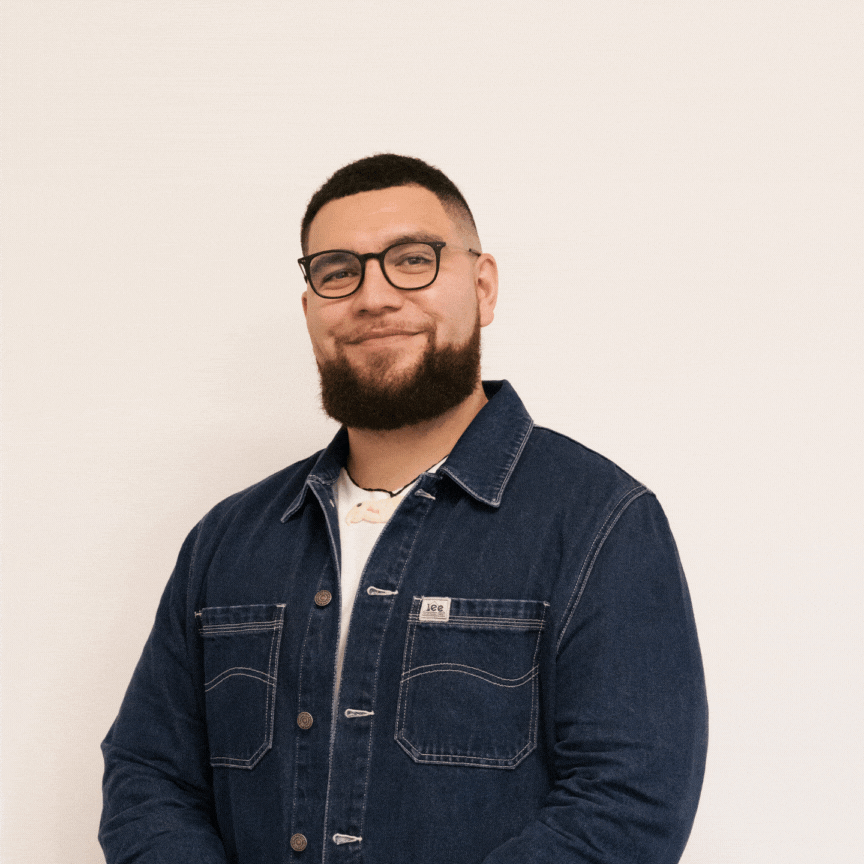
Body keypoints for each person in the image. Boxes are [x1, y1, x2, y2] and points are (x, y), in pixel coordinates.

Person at [100, 154, 708, 864]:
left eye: (412, 260)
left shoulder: (601, 523)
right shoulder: (229, 540)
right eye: (337, 271)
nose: (374, 297)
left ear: (483, 288)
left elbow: (627, 805)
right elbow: (149, 778)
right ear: (310, 310)